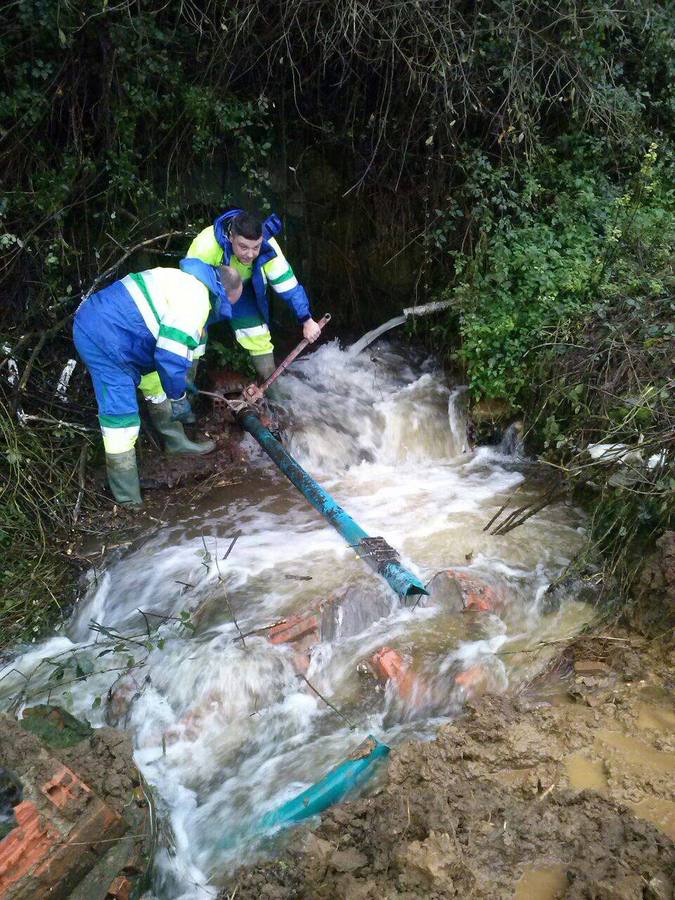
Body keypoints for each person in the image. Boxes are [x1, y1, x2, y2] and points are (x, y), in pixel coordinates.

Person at [73, 261, 243, 506]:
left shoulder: (188, 282)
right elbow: (169, 357)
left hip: (123, 333)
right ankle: (128, 500)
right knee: (121, 421)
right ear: (222, 294)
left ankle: (176, 443)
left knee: (156, 384)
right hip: (105, 338)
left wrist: (176, 385)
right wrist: (179, 399)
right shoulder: (195, 300)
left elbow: (167, 347)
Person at [185, 209, 321, 390]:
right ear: (231, 236)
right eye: (243, 247)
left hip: (245, 290)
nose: (250, 254)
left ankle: (272, 393)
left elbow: (287, 284)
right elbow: (187, 289)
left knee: (258, 336)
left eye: (255, 248)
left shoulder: (267, 245)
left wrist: (307, 319)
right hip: (207, 292)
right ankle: (184, 395)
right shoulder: (206, 245)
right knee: (192, 339)